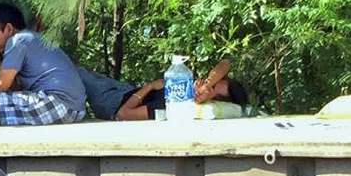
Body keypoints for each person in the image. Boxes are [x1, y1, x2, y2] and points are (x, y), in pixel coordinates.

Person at [0, 3, 87, 127]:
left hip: (58, 105)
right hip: (74, 109)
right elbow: (15, 89)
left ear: (9, 29)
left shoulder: (18, 40)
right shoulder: (32, 38)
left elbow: (0, 87)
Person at [79, 56, 250, 121]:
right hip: (123, 90)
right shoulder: (184, 90)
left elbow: (123, 114)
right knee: (80, 69)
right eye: (209, 81)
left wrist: (150, 86)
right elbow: (226, 62)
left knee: (71, 71)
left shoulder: (177, 107)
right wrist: (207, 85)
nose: (204, 84)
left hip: (111, 101)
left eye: (211, 89)